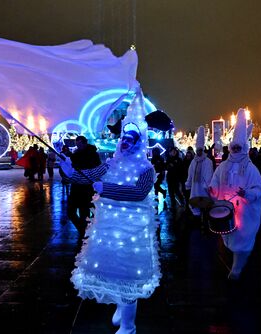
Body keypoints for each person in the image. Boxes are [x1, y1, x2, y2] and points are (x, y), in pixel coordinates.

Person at [60, 89, 159, 333]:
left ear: (140, 141)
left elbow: (138, 193)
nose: (126, 141)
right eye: (124, 136)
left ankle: (129, 325)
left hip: (132, 233)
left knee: (128, 276)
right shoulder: (111, 163)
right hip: (107, 228)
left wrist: (107, 189)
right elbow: (90, 176)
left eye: (131, 137)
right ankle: (120, 306)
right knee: (113, 271)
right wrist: (69, 171)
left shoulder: (146, 169)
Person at [209, 108, 261, 280]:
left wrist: (246, 193)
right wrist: (212, 190)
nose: (235, 150)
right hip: (227, 208)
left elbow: (259, 188)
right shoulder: (224, 166)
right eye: (233, 147)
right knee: (229, 237)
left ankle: (237, 268)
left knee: (242, 240)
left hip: (245, 211)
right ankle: (236, 259)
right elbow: (215, 182)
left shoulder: (250, 168)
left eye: (238, 147)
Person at [67, 135, 101, 240]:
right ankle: (83, 230)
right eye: (77, 145)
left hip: (86, 189)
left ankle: (84, 233)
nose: (78, 146)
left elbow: (95, 167)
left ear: (85, 143)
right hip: (76, 187)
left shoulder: (92, 154)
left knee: (84, 213)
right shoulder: (77, 154)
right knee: (71, 212)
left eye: (80, 144)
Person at [185, 126, 214, 217]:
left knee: (205, 205)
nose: (199, 152)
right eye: (197, 150)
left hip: (204, 188)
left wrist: (207, 186)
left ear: (203, 150)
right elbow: (190, 173)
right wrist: (188, 184)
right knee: (195, 204)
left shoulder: (207, 161)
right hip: (195, 188)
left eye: (200, 150)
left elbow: (209, 174)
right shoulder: (194, 161)